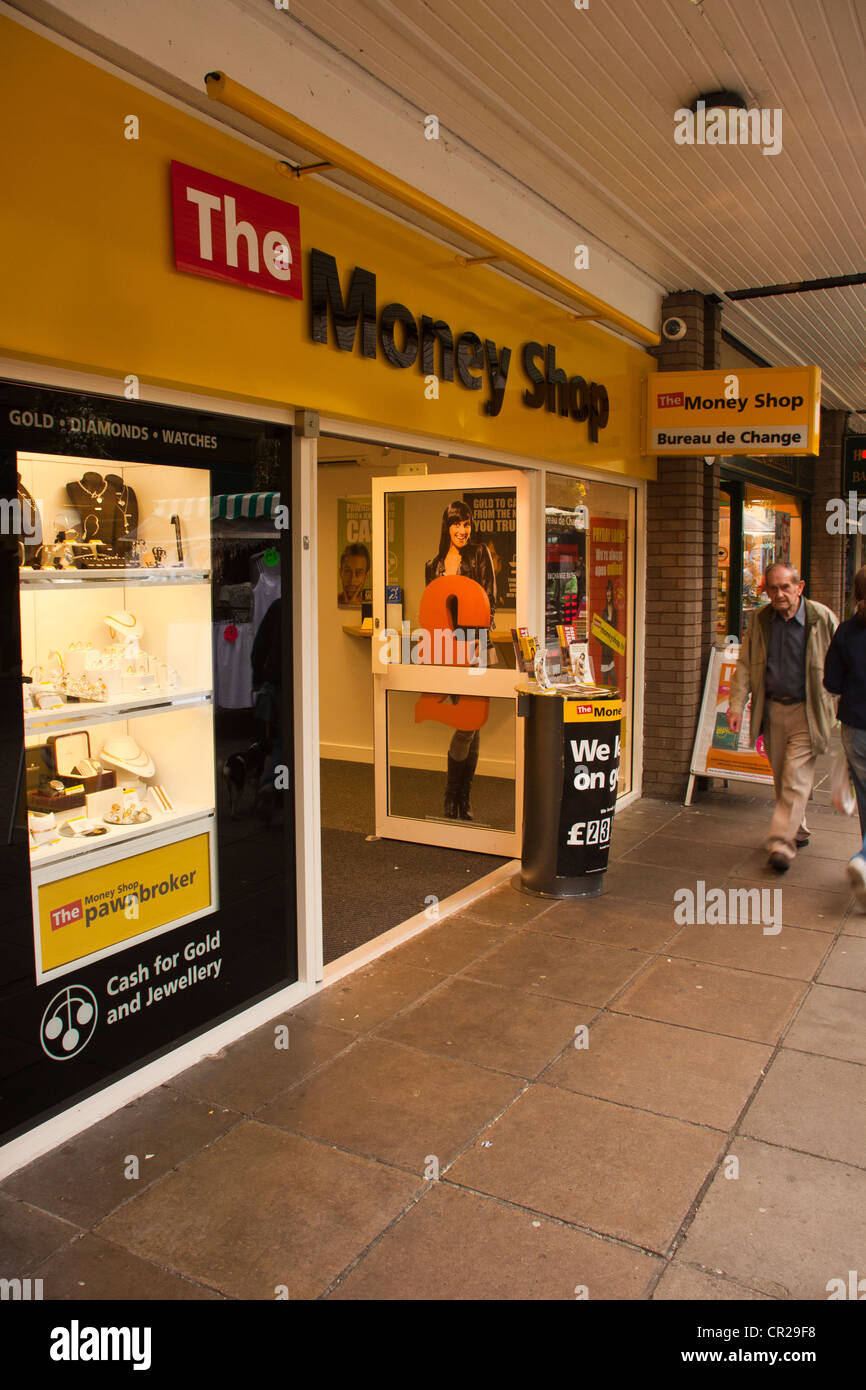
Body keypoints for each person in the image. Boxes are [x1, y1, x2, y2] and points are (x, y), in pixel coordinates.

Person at [727, 561, 837, 871]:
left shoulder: (821, 618)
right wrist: (736, 706)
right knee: (781, 776)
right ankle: (797, 829)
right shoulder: (762, 620)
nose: (779, 594)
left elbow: (841, 660)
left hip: (809, 710)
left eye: (785, 587)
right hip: (773, 709)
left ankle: (781, 842)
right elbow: (746, 665)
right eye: (772, 588)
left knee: (796, 776)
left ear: (799, 587)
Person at [425, 500, 495, 820]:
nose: (462, 530)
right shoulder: (433, 564)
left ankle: (458, 798)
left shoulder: (479, 555)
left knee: (472, 723)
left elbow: (488, 599)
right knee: (468, 723)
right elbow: (432, 609)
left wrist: (477, 643)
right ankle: (455, 798)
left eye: (467, 524)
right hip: (446, 650)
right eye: (456, 524)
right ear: (447, 526)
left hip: (476, 646)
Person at [823, 565, 866, 906]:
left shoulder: (847, 632)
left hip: (856, 728)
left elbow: (832, 683)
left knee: (864, 797)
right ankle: (865, 861)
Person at [338, 542, 370, 607]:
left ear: (366, 576)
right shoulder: (330, 601)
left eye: (359, 573)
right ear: (341, 572)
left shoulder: (374, 605)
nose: (352, 580)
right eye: (348, 571)